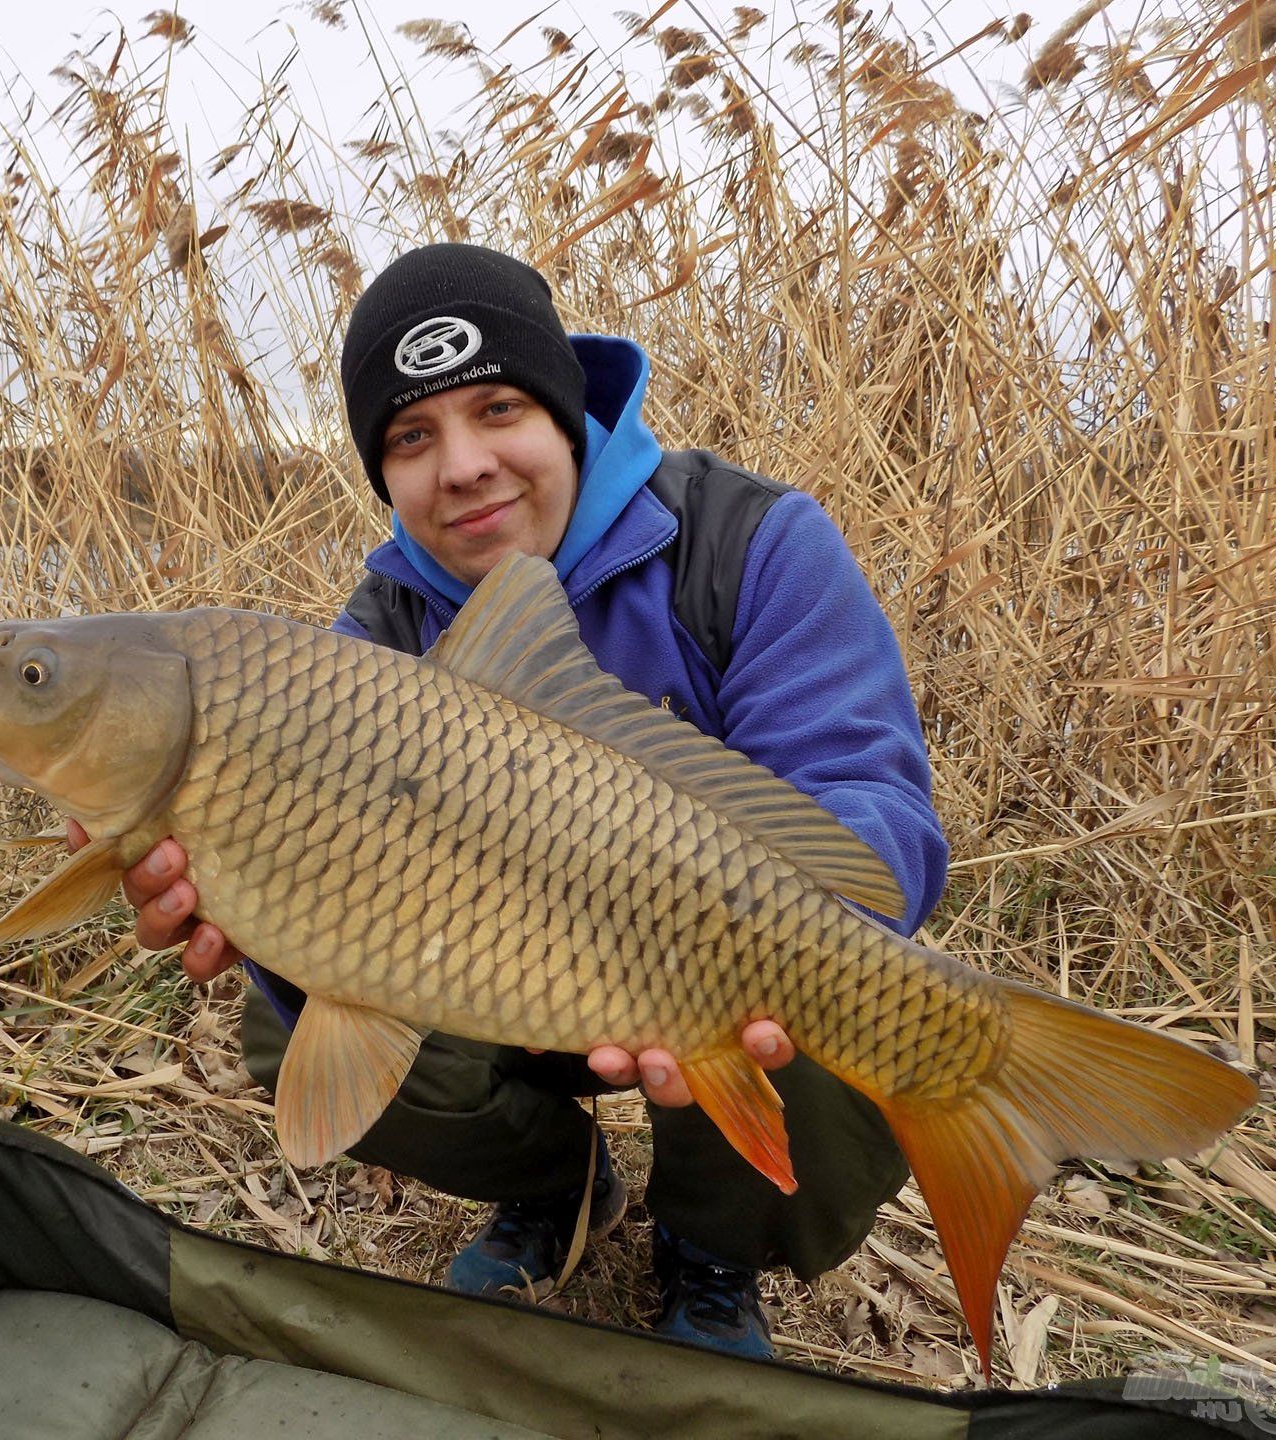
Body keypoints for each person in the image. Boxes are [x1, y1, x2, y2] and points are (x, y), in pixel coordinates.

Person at [67, 243, 948, 1359]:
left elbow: (872, 808)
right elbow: (309, 911)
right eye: (412, 437)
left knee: (840, 981)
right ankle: (558, 1185)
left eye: (498, 410)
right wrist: (235, 894)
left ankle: (717, 1248)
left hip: (714, 977)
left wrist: (735, 919)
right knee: (281, 1001)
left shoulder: (751, 542)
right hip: (497, 974)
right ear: (381, 473)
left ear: (569, 412)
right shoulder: (372, 639)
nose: (465, 465)